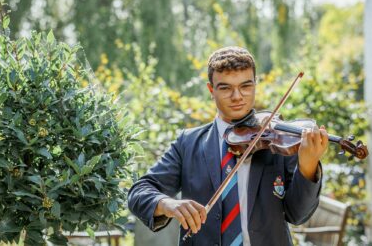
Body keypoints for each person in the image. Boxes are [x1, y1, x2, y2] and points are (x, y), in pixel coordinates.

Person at [127, 46, 328, 246]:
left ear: (255, 85)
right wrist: (168, 204)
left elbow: (298, 215)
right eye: (225, 88)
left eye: (246, 86)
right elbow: (139, 192)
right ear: (211, 90)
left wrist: (308, 166)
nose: (237, 96)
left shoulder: (278, 139)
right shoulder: (188, 143)